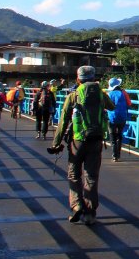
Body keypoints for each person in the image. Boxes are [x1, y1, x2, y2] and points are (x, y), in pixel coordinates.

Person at [47, 66, 114, 226]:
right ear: (93, 78)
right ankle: (90, 212)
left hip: (77, 140)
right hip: (96, 139)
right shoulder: (100, 94)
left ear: (78, 79)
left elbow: (63, 121)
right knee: (91, 176)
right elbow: (112, 107)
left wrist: (56, 143)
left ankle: (77, 205)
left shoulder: (73, 95)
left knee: (73, 174)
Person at [106, 78, 131, 162]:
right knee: (119, 135)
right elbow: (129, 104)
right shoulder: (123, 93)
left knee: (112, 136)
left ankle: (114, 155)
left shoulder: (109, 94)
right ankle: (119, 154)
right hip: (122, 117)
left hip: (111, 118)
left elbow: (106, 106)